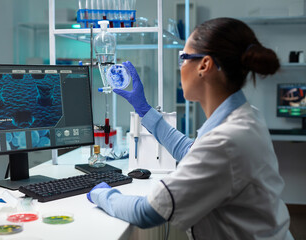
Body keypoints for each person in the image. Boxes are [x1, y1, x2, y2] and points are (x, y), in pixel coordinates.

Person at [87, 17, 294, 240]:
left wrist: (101, 193)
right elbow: (191, 151)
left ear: (204, 65)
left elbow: (147, 212)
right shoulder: (246, 115)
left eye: (182, 58)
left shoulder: (226, 140)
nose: (180, 67)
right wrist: (143, 107)